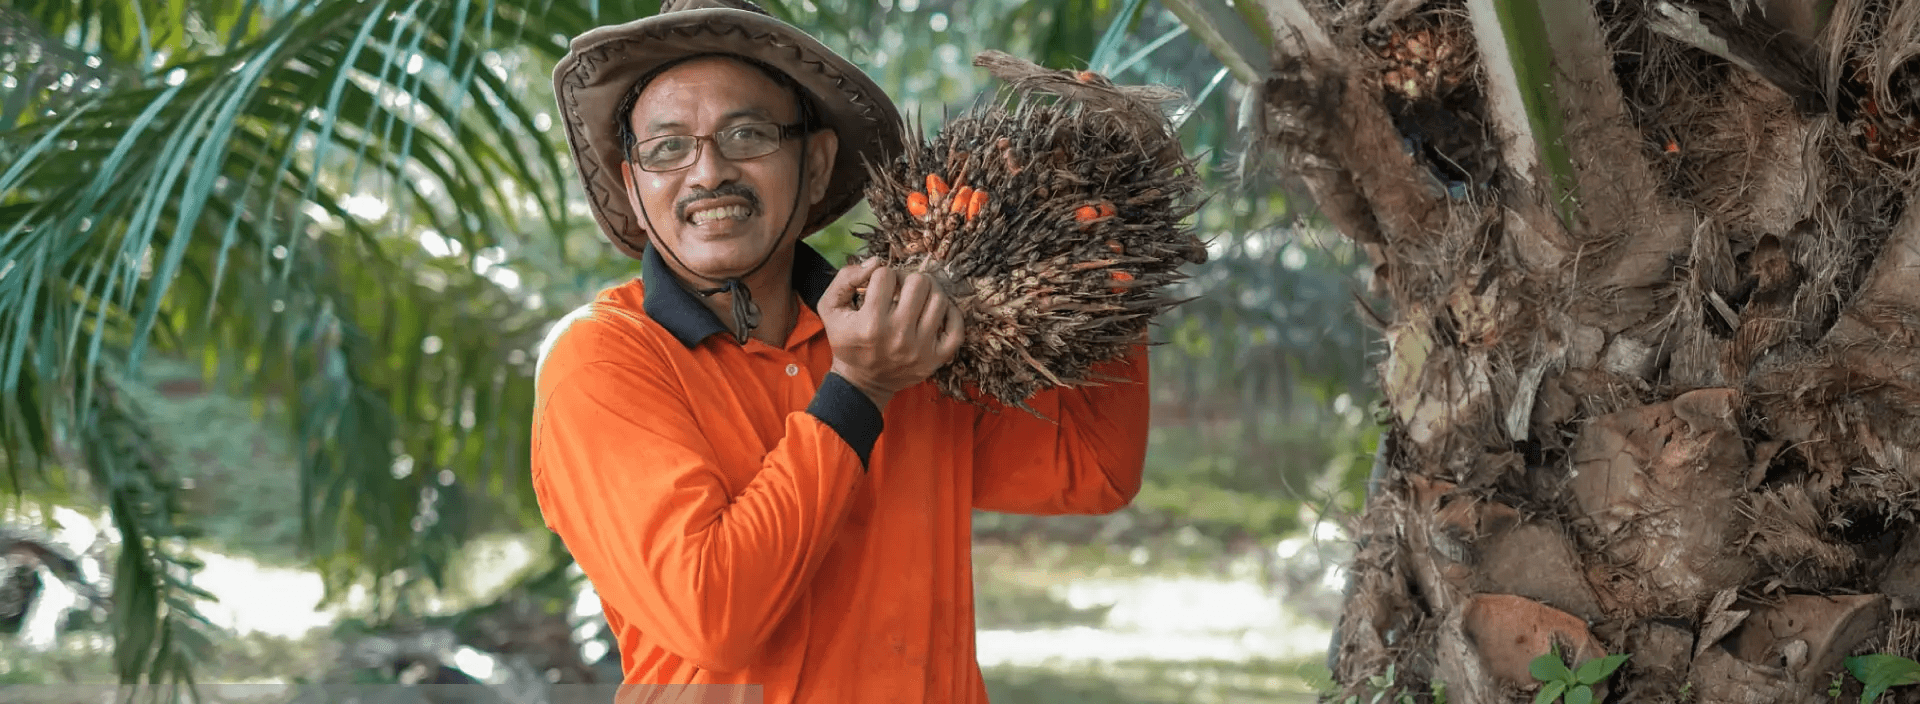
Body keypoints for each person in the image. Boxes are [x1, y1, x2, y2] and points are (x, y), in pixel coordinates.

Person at [532, 1, 1152, 701]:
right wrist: (859, 391)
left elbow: (1092, 467)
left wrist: (1099, 250)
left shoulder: (903, 335)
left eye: (747, 133)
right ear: (633, 189)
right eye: (668, 147)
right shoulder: (604, 358)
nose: (707, 172)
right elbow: (712, 615)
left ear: (817, 163)